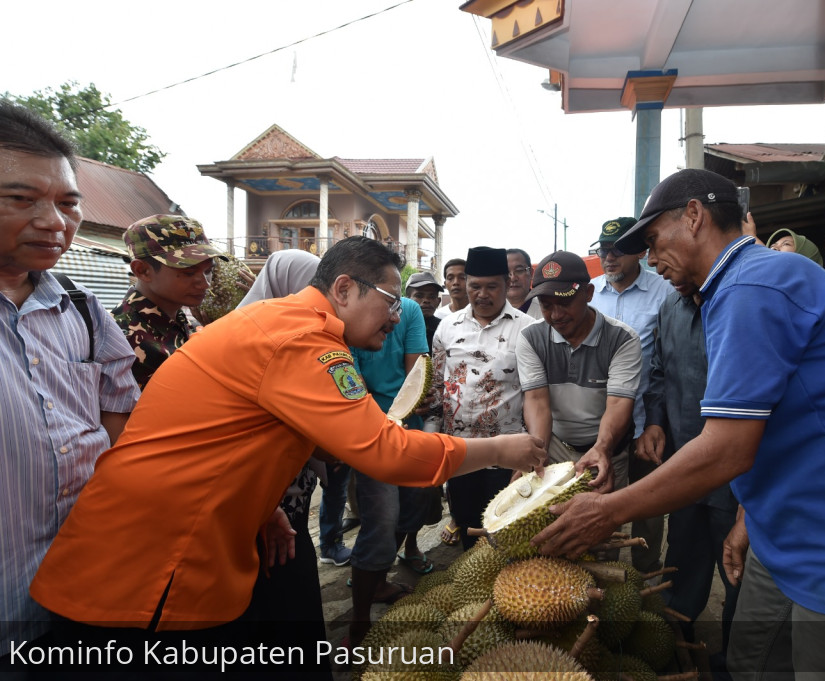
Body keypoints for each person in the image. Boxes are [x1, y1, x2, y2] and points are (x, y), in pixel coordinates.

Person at [534, 168, 825, 678]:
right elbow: (787, 419)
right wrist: (751, 519)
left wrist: (607, 511)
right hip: (789, 541)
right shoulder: (734, 289)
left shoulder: (753, 285)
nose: (651, 260)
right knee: (749, 665)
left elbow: (726, 449)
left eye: (653, 241)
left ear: (694, 216)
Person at [29, 237, 546, 664]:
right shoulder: (303, 341)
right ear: (344, 289)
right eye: (390, 302)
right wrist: (502, 449)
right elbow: (385, 453)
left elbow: (227, 435)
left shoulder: (282, 323)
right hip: (149, 570)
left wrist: (264, 503)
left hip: (154, 546)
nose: (397, 317)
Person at [0, 101, 139, 665]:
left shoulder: (84, 313)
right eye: (20, 199)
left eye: (67, 203)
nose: (55, 222)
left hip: (85, 591)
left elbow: (122, 429)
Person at [237, 249, 332, 679]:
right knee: (270, 598)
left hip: (284, 504)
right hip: (251, 500)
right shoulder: (251, 343)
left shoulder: (309, 341)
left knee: (294, 587)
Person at [637, 281, 740, 659]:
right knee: (681, 563)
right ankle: (676, 648)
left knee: (738, 576)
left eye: (662, 247)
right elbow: (659, 373)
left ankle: (734, 662)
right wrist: (655, 422)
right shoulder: (670, 308)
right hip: (684, 466)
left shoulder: (738, 303)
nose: (658, 263)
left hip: (738, 479)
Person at [430, 246, 537, 549]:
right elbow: (437, 387)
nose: (482, 294)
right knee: (466, 524)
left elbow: (536, 395)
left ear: (507, 284)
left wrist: (531, 447)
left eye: (492, 286)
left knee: (507, 530)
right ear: (465, 285)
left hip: (508, 454)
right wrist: (431, 440)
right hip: (459, 451)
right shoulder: (447, 327)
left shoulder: (527, 330)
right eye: (475, 285)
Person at [589, 217, 674, 572]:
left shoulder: (665, 293)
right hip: (600, 427)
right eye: (604, 250)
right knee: (600, 504)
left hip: (645, 423)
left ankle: (647, 576)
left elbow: (667, 362)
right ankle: (600, 577)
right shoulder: (588, 293)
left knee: (649, 507)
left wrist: (654, 422)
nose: (610, 258)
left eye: (619, 250)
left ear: (640, 250)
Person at [517, 250, 642, 493]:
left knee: (601, 523)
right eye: (546, 306)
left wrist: (602, 448)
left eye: (564, 303)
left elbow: (618, 404)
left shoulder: (622, 340)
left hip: (607, 447)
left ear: (588, 294)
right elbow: (537, 402)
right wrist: (537, 454)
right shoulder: (530, 338)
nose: (556, 315)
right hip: (555, 447)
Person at [348, 294, 432, 643]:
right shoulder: (347, 317)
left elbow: (416, 374)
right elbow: (350, 381)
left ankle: (379, 580)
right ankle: (359, 620)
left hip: (408, 427)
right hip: (368, 431)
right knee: (380, 519)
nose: (392, 319)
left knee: (411, 510)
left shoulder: (409, 311)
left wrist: (404, 415)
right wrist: (378, 425)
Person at [113, 214, 227, 389]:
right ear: (142, 270)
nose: (205, 283)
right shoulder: (120, 336)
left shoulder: (187, 324)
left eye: (209, 271)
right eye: (189, 273)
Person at [406, 270, 444, 345]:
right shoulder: (396, 327)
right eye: (419, 296)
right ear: (407, 300)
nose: (426, 300)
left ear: (438, 301)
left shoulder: (445, 328)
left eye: (432, 296)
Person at [506, 247, 541, 318]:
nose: (513, 278)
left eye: (519, 270)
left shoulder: (546, 311)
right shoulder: (489, 312)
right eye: (506, 272)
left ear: (531, 273)